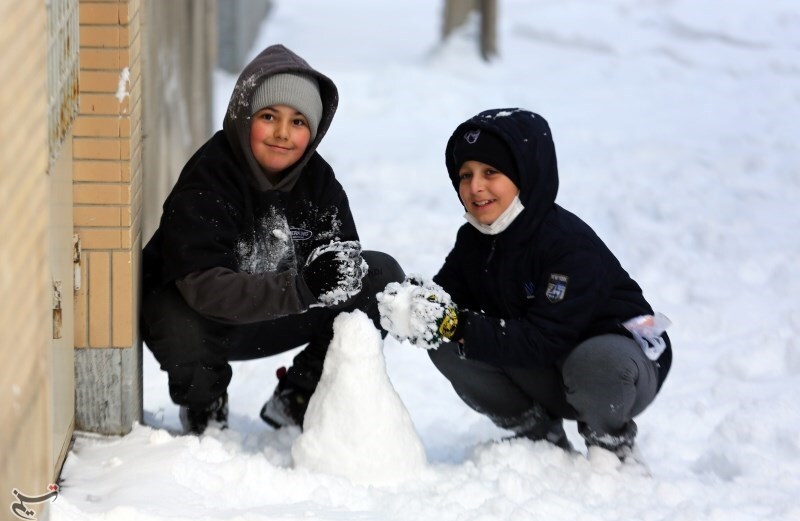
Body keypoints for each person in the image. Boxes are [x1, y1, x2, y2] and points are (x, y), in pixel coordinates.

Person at [378, 108, 672, 464]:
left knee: (593, 361)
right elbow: (447, 301)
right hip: (551, 368)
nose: (475, 187)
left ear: (525, 175)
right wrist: (411, 304)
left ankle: (612, 449)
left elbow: (546, 337)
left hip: (621, 367)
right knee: (444, 341)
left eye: (491, 172)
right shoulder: (476, 239)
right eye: (465, 175)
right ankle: (539, 441)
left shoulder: (566, 243)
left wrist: (454, 324)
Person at [141, 44, 404, 434]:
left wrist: (405, 303)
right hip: (202, 319)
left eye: (298, 122)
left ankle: (298, 395)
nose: (283, 134)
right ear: (245, 117)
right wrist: (301, 287)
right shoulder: (209, 178)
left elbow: (343, 265)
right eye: (269, 116)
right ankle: (204, 405)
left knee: (379, 277)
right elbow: (203, 288)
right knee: (172, 315)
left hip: (273, 313)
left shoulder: (318, 182)